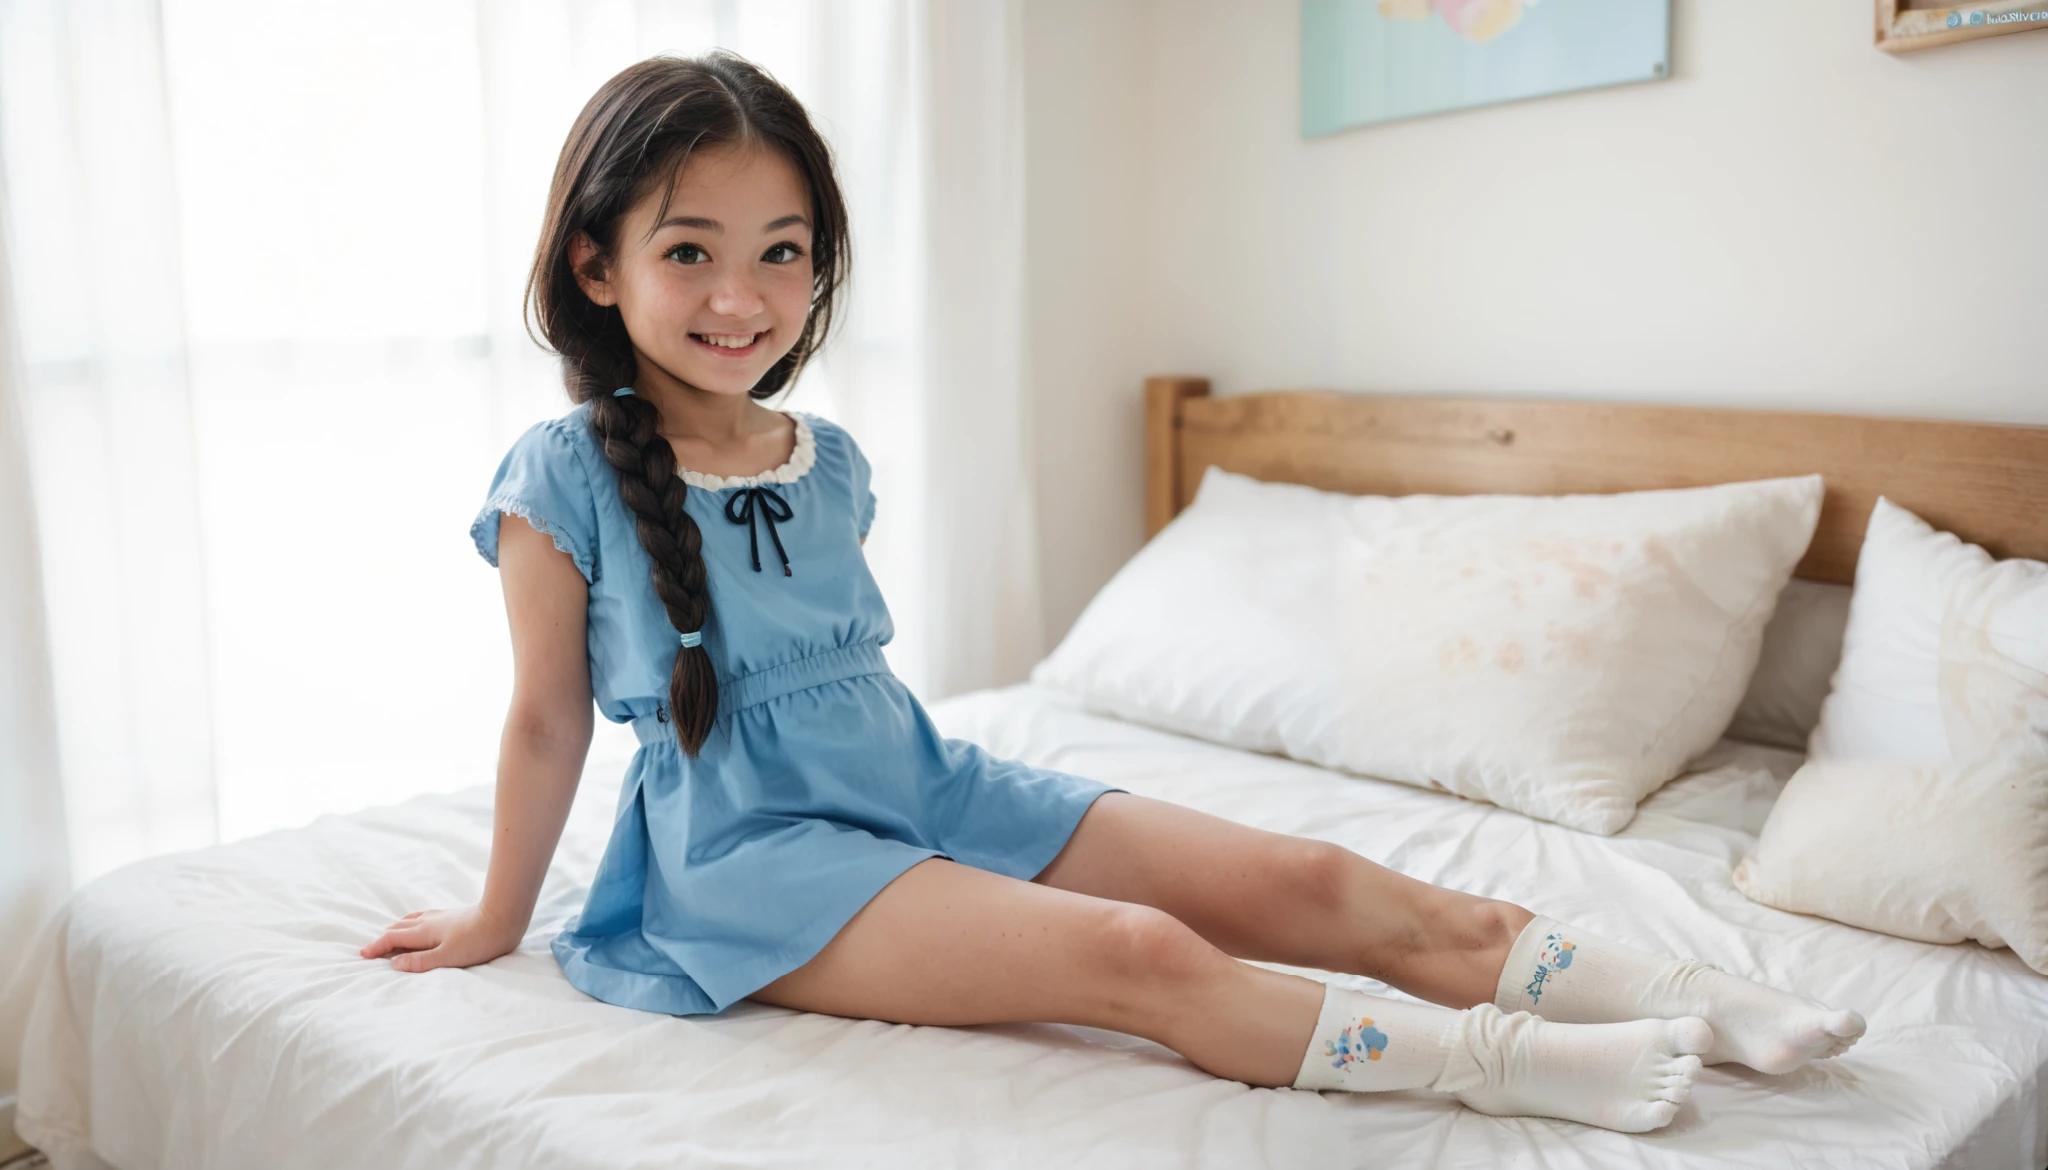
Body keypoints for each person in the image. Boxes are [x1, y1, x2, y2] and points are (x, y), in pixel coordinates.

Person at [359, 52, 1864, 1133]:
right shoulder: (558, 473)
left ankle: (1681, 990)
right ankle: (1499, 1057)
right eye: (689, 251)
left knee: (1308, 880)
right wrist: (501, 915)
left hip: (925, 777)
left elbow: (849, 696)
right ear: (598, 264)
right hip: (748, 856)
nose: (742, 296)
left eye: (783, 252)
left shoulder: (829, 462)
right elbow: (547, 722)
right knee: (1139, 955)